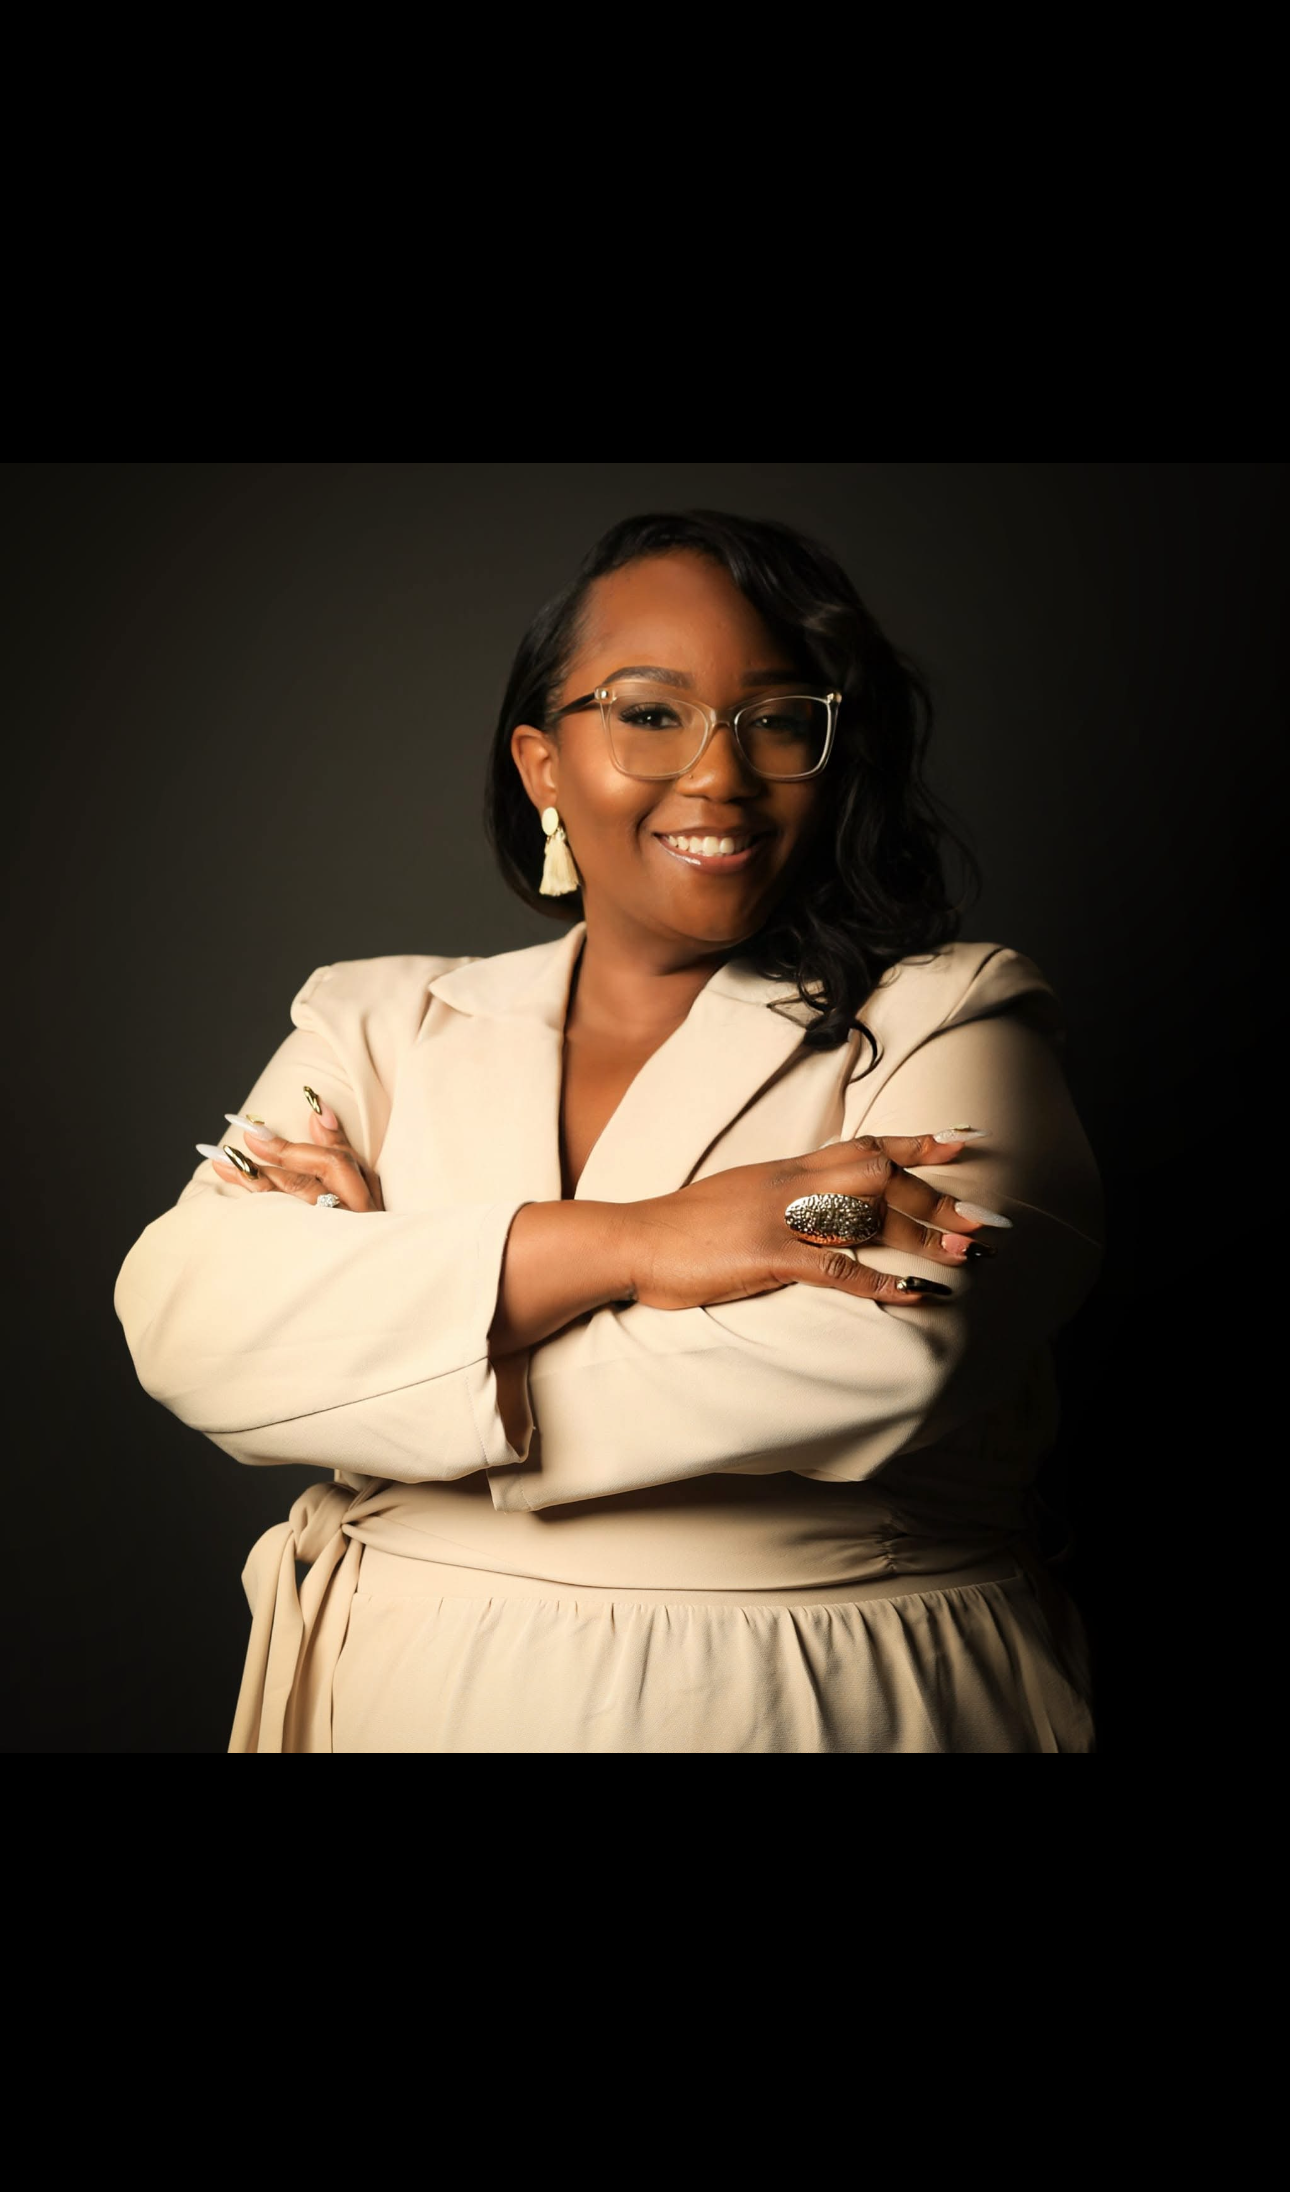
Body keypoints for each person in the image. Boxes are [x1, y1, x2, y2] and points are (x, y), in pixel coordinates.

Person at [114, 509, 1104, 1753]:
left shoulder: (952, 1016)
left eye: (780, 718)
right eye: (650, 712)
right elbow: (186, 1319)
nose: (719, 774)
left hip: (818, 1699)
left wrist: (395, 1345)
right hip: (403, 1696)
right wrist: (641, 1245)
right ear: (542, 764)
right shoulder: (375, 1019)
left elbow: (903, 1333)